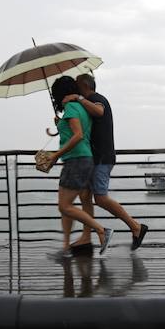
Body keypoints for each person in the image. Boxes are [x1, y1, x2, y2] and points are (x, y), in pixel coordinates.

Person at [64, 73, 149, 250]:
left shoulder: (96, 98)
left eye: (77, 86)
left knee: (101, 198)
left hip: (102, 157)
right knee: (85, 196)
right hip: (95, 158)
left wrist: (78, 98)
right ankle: (86, 238)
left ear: (85, 86)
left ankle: (135, 227)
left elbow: (99, 111)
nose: (75, 90)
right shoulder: (86, 103)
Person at [47, 76, 113, 254]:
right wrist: (60, 124)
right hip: (82, 159)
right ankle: (67, 245)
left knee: (64, 206)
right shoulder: (80, 108)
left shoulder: (71, 107)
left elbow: (78, 135)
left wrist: (55, 155)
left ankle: (101, 230)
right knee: (71, 203)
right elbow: (76, 129)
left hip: (76, 160)